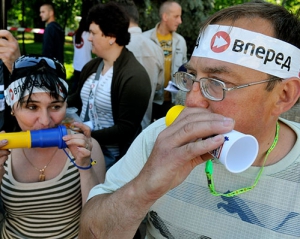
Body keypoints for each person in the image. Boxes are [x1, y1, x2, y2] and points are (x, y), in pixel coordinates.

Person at [78, 1, 300, 238]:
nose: (192, 102)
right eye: (192, 76)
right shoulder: (162, 136)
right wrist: (142, 189)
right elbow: (90, 232)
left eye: (217, 83)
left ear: (283, 96)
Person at [0, 54, 106, 238]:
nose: (45, 121)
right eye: (32, 107)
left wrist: (85, 167)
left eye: (55, 106)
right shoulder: (3, 150)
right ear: (12, 106)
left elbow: (99, 223)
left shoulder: (88, 147)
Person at [67, 2, 151, 170]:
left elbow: (126, 129)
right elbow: (77, 99)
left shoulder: (135, 77)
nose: (89, 38)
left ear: (111, 36)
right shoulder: (91, 66)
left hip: (112, 161)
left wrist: (89, 135)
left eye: (93, 33)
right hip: (83, 150)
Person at [118, 0, 164, 129]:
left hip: (117, 128)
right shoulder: (156, 48)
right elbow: (159, 86)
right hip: (144, 123)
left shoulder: (115, 46)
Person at [143, 0, 187, 121]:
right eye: (176, 16)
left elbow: (184, 72)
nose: (180, 21)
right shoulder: (145, 39)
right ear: (165, 16)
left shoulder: (181, 41)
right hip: (150, 100)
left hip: (172, 101)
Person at [70, 17, 92, 94]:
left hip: (77, 63)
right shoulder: (88, 35)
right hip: (86, 63)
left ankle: (72, 98)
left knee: (76, 83)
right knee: (85, 85)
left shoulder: (75, 35)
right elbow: (91, 48)